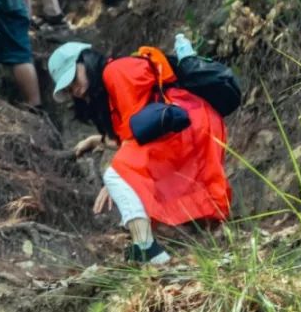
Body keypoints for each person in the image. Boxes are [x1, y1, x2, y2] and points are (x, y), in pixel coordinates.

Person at [49, 41, 231, 263]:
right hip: (184, 125)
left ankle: (148, 249)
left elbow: (136, 133)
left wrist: (115, 180)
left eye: (73, 79)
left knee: (115, 175)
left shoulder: (117, 72)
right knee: (123, 175)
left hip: (188, 124)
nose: (74, 90)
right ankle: (150, 244)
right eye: (68, 89)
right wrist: (97, 140)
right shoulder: (106, 87)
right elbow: (133, 132)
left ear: (84, 61)